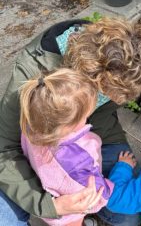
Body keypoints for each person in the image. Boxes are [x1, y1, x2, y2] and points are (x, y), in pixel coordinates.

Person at [0, 17, 141, 225]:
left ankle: (91, 215)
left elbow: (130, 83)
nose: (120, 101)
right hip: (39, 156)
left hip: (96, 140)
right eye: (111, 94)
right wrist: (51, 206)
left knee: (126, 218)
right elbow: (4, 150)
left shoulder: (109, 50)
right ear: (87, 82)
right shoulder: (33, 75)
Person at [20, 68, 114, 226]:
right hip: (70, 211)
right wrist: (109, 188)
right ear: (69, 125)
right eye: (85, 116)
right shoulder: (79, 154)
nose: (87, 118)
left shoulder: (32, 121)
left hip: (50, 197)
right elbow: (97, 192)